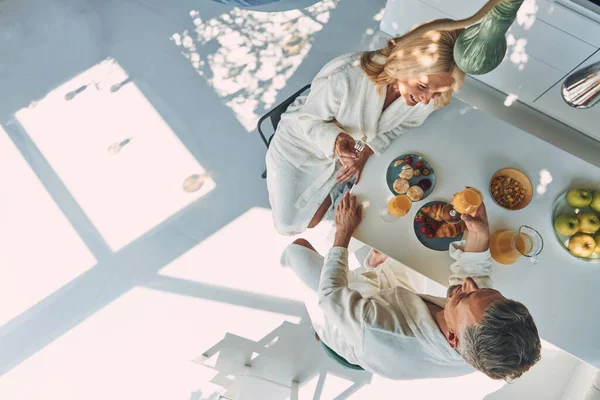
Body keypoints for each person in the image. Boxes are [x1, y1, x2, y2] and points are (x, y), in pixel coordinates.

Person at [281, 192, 541, 380]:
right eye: (487, 292)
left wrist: (343, 233)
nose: (469, 284)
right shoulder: (481, 340)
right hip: (400, 301)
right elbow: (473, 276)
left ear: (452, 337)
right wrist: (480, 234)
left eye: (463, 298)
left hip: (350, 330)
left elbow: (331, 295)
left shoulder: (379, 329)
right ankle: (375, 265)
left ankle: (370, 272)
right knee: (408, 242)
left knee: (298, 251)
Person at [266, 28, 465, 235]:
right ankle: (338, 187)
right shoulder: (346, 76)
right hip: (302, 141)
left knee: (317, 217)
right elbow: (307, 120)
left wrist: (368, 149)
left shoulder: (427, 100)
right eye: (423, 86)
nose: (426, 100)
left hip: (349, 152)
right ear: (404, 63)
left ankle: (338, 187)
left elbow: (401, 126)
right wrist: (336, 140)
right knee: (289, 223)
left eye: (437, 92)